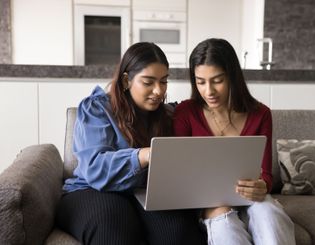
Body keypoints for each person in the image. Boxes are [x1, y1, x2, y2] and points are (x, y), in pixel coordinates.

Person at [56, 42, 206, 245]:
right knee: (114, 226)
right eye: (148, 82)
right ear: (126, 80)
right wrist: (145, 155)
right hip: (91, 190)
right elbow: (95, 168)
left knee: (177, 233)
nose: (158, 91)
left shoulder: (169, 115)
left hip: (143, 193)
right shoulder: (97, 108)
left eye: (163, 82)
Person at [173, 38, 296, 245]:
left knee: (268, 213)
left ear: (232, 76)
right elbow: (179, 173)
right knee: (224, 223)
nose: (209, 91)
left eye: (217, 80)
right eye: (200, 82)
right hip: (209, 204)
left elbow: (265, 174)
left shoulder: (261, 114)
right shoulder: (185, 113)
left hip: (250, 199)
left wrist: (261, 186)